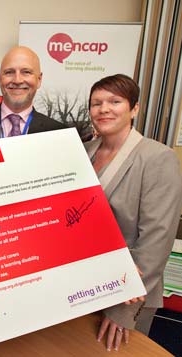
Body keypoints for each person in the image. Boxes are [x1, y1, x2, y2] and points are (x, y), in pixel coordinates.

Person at [84, 74, 182, 351]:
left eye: (115, 101)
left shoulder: (157, 158)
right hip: (86, 286)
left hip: (126, 295)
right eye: (96, 103)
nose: (104, 109)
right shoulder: (86, 150)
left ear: (134, 108)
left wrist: (123, 309)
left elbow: (157, 239)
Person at [0, 46, 65, 143]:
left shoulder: (58, 133)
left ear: (39, 79)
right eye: (9, 72)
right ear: (0, 79)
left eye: (26, 72)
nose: (17, 80)